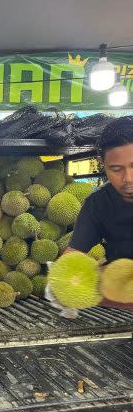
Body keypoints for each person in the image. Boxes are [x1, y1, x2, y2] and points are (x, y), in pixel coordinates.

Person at [67, 116, 133, 311]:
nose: (128, 179)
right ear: (102, 164)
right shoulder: (99, 203)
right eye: (116, 169)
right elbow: (72, 257)